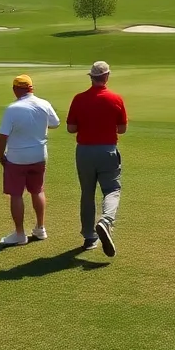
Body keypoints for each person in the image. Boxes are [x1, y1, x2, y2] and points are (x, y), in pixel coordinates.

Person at [66, 61, 127, 257]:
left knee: (87, 193)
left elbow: (71, 128)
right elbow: (122, 129)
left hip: (84, 152)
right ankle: (106, 221)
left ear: (91, 77)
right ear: (107, 76)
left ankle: (89, 237)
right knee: (112, 189)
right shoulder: (115, 99)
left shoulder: (79, 99)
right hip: (107, 150)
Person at [0, 74, 59, 246]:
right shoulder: (44, 103)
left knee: (16, 194)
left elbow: (2, 136)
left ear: (16, 90)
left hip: (17, 157)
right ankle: (40, 228)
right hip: (39, 154)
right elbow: (55, 123)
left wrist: (1, 156)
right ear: (31, 88)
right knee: (37, 190)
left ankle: (20, 234)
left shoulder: (12, 109)